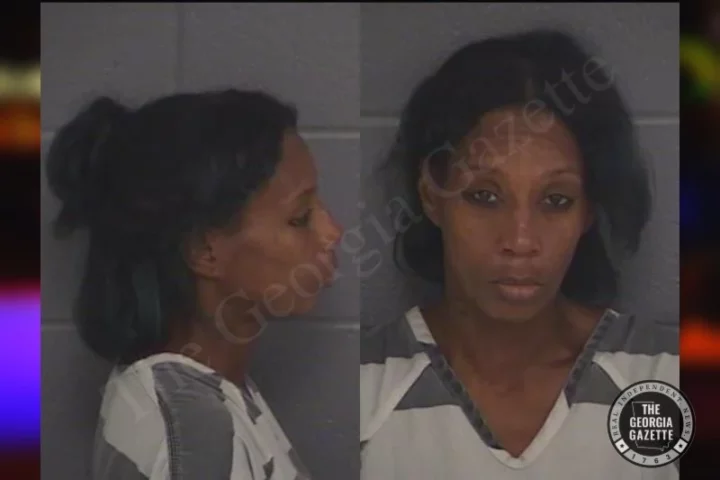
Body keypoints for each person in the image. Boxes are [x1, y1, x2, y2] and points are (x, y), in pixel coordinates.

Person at [360, 29, 678, 479]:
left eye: (556, 200)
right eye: (485, 196)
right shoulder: (363, 384)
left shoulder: (667, 376)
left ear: (588, 209)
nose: (520, 240)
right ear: (432, 194)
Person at [46, 89, 342, 479]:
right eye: (300, 218)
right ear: (205, 250)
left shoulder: (204, 390)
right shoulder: (192, 436)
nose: (333, 232)